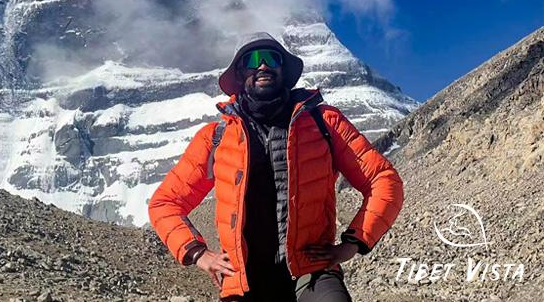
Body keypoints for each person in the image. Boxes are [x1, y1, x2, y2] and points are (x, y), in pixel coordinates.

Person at [148, 32, 404, 301]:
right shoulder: (216, 137)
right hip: (243, 280)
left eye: (272, 57)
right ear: (239, 74)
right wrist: (198, 253)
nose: (263, 65)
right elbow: (165, 203)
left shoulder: (325, 122)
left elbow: (384, 180)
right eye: (252, 60)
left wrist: (353, 243)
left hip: (310, 272)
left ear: (283, 69)